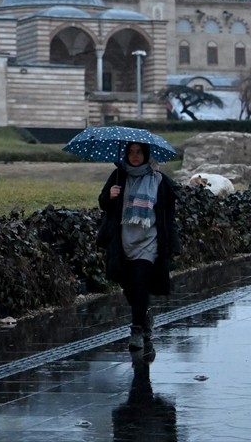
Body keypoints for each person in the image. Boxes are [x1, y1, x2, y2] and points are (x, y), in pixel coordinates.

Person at [98, 140, 179, 352]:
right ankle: (143, 316)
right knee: (129, 287)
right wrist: (110, 195)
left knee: (141, 282)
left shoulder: (159, 180)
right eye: (131, 152)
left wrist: (173, 245)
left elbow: (168, 216)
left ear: (146, 155)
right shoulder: (118, 176)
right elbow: (103, 203)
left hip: (148, 241)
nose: (134, 156)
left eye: (139, 152)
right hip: (123, 241)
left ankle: (136, 330)